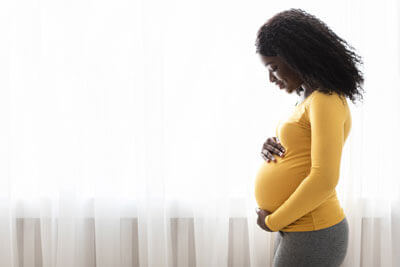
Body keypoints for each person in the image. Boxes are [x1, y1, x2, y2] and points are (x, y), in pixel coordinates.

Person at [253, 8, 365, 267]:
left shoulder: (326, 100)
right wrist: (272, 148)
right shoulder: (309, 98)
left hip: (313, 230)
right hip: (300, 227)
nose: (271, 78)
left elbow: (324, 178)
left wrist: (272, 221)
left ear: (297, 58)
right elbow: (302, 149)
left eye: (274, 68)